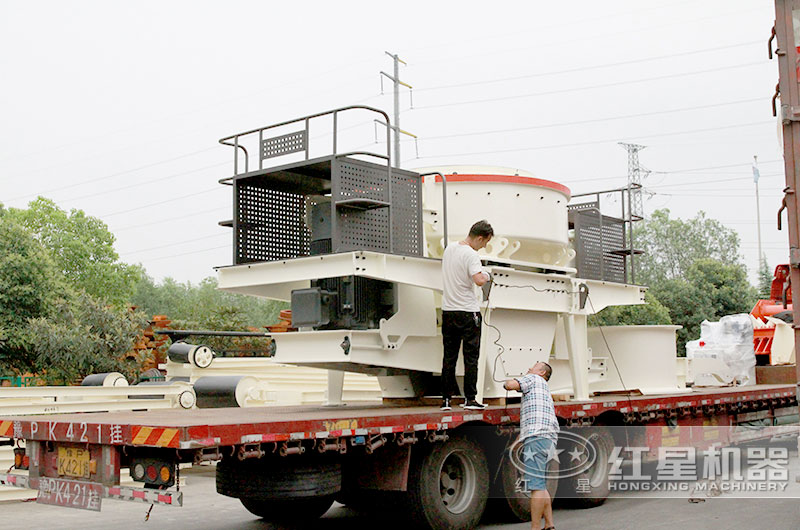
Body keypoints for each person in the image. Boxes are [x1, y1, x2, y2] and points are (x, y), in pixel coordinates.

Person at [440, 219, 493, 411]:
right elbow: (478, 280)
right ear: (479, 238)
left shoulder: (449, 249)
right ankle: (470, 399)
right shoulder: (471, 255)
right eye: (485, 242)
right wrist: (487, 275)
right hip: (468, 312)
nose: (484, 246)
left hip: (448, 311)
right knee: (471, 357)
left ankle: (446, 400)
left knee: (449, 357)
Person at [504, 362, 559, 530]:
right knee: (541, 485)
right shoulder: (544, 389)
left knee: (536, 487)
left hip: (536, 439)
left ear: (541, 372)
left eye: (533, 366)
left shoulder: (533, 379)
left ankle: (535, 527)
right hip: (548, 439)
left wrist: (506, 381)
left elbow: (510, 385)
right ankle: (549, 524)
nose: (529, 369)